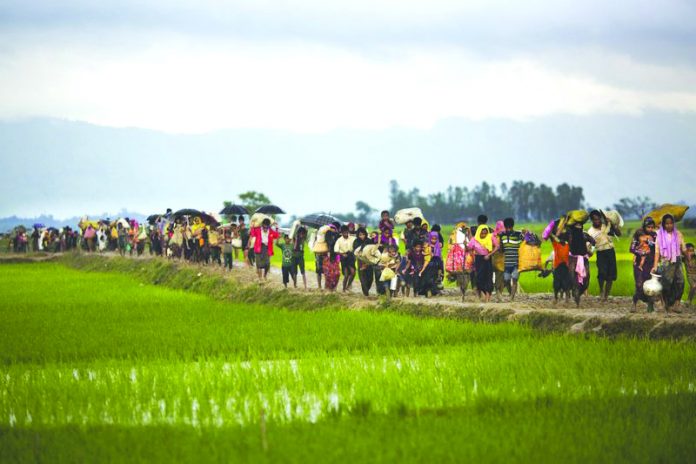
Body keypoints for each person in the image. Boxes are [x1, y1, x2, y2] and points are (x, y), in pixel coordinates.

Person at [652, 214, 686, 312]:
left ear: (673, 224)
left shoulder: (678, 234)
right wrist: (655, 265)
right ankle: (664, 303)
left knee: (680, 282)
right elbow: (657, 251)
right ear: (663, 224)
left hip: (677, 260)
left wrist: (688, 254)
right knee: (666, 284)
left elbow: (683, 248)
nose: (669, 225)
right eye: (667, 223)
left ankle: (677, 304)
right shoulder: (659, 235)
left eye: (671, 223)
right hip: (665, 262)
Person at [588, 210, 618, 301]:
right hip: (600, 253)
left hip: (610, 251)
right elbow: (589, 246)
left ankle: (606, 295)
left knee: (611, 275)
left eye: (598, 219)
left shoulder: (606, 225)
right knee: (602, 273)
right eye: (595, 220)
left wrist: (613, 224)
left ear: (601, 218)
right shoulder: (590, 232)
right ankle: (601, 291)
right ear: (592, 220)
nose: (597, 221)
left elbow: (618, 233)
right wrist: (589, 252)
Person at [630, 217, 657, 312]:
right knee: (639, 285)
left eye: (652, 227)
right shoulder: (638, 234)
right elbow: (632, 248)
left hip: (650, 263)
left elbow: (657, 249)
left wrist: (652, 244)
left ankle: (650, 306)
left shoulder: (655, 235)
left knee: (650, 286)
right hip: (638, 264)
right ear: (644, 226)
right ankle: (634, 302)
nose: (650, 229)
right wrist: (641, 253)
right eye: (648, 227)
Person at [467, 223, 498, 302]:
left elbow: (497, 246)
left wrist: (490, 254)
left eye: (485, 233)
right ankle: (482, 294)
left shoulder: (490, 237)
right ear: (479, 232)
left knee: (488, 277)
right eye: (482, 233)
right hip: (478, 260)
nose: (484, 234)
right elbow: (469, 247)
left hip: (487, 259)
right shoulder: (474, 239)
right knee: (479, 278)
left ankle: (488, 297)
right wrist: (473, 255)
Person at [568, 223, 595, 307]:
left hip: (584, 259)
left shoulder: (585, 235)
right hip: (572, 259)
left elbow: (593, 242)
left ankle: (578, 293)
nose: (578, 229)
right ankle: (577, 301)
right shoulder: (570, 236)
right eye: (576, 227)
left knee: (586, 279)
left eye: (580, 227)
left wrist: (591, 250)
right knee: (573, 280)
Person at [498, 218, 524, 300]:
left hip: (517, 262)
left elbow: (525, 244)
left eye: (510, 227)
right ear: (505, 227)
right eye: (507, 228)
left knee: (515, 279)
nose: (508, 229)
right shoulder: (502, 235)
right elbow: (501, 250)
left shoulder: (518, 234)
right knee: (506, 280)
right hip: (507, 262)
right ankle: (510, 294)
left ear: (513, 226)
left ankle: (512, 297)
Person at [334, 225, 356, 292]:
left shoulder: (353, 238)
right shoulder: (339, 240)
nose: (345, 233)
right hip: (344, 257)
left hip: (351, 256)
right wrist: (342, 254)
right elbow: (336, 250)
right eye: (344, 232)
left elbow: (356, 245)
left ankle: (348, 286)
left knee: (353, 272)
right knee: (346, 275)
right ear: (341, 232)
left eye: (346, 232)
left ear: (348, 231)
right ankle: (344, 289)